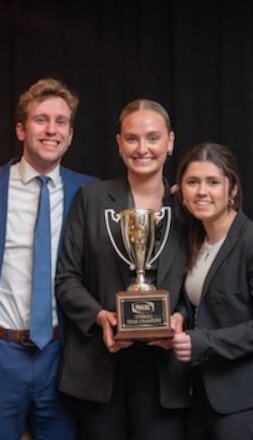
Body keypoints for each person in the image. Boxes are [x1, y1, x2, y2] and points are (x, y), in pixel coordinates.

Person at [55, 99, 190, 440]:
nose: (142, 148)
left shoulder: (188, 205)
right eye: (132, 138)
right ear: (118, 143)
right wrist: (101, 316)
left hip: (165, 372)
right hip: (101, 367)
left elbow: (204, 282)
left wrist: (180, 318)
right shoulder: (91, 198)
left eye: (153, 138)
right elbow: (67, 278)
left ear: (170, 141)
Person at [0, 78, 97, 440]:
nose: (51, 130)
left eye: (61, 122)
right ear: (20, 129)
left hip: (62, 354)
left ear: (71, 134)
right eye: (41, 119)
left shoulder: (90, 193)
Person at [172, 142, 253, 439]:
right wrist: (179, 315)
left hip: (250, 399)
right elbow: (204, 302)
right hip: (207, 395)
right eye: (192, 182)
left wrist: (204, 343)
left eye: (213, 182)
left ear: (233, 189)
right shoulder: (196, 241)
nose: (202, 191)